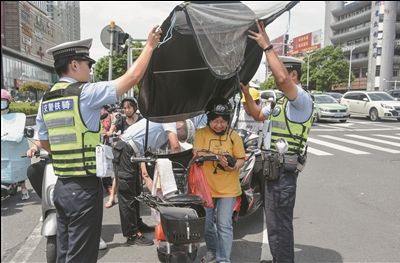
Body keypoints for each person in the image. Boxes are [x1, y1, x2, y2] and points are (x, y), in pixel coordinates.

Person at [35, 25, 161, 263]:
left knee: (64, 250)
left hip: (62, 186)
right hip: (83, 188)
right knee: (81, 254)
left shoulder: (46, 99)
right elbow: (131, 78)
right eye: (88, 64)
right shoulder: (84, 93)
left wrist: (68, 153)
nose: (91, 70)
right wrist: (150, 46)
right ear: (74, 65)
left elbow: (43, 141)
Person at [243, 20, 313, 263]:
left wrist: (267, 47)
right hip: (273, 171)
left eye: (280, 71)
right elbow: (256, 114)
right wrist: (244, 89)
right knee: (274, 224)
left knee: (279, 225)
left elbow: (283, 80)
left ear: (293, 74)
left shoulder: (301, 100)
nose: (276, 76)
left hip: (283, 172)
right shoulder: (280, 102)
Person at [112, 118, 192, 246]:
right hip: (126, 149)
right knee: (127, 193)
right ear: (180, 125)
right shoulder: (169, 119)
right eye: (183, 133)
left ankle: (137, 224)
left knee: (136, 191)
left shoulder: (164, 118)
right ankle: (132, 234)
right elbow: (175, 146)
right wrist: (179, 164)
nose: (182, 136)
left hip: (132, 150)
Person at [193, 97, 245, 263]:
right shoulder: (201, 133)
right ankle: (212, 250)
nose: (219, 125)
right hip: (206, 188)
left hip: (228, 189)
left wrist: (233, 166)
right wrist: (217, 157)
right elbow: (197, 154)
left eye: (223, 121)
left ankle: (224, 259)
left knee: (224, 225)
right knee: (207, 225)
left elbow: (241, 159)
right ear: (209, 120)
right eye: (215, 121)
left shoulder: (233, 136)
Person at [105, 97, 142, 209]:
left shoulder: (141, 120)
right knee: (117, 175)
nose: (127, 110)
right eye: (124, 108)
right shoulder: (121, 119)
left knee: (142, 175)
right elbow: (111, 132)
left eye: (129, 107)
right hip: (124, 153)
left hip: (138, 153)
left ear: (134, 107)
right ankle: (112, 197)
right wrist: (112, 132)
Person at [1, 89, 30, 200]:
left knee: (19, 165)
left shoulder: (15, 118)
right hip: (2, 147)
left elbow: (20, 128)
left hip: (15, 146)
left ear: (8, 102)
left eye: (2, 102)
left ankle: (23, 188)